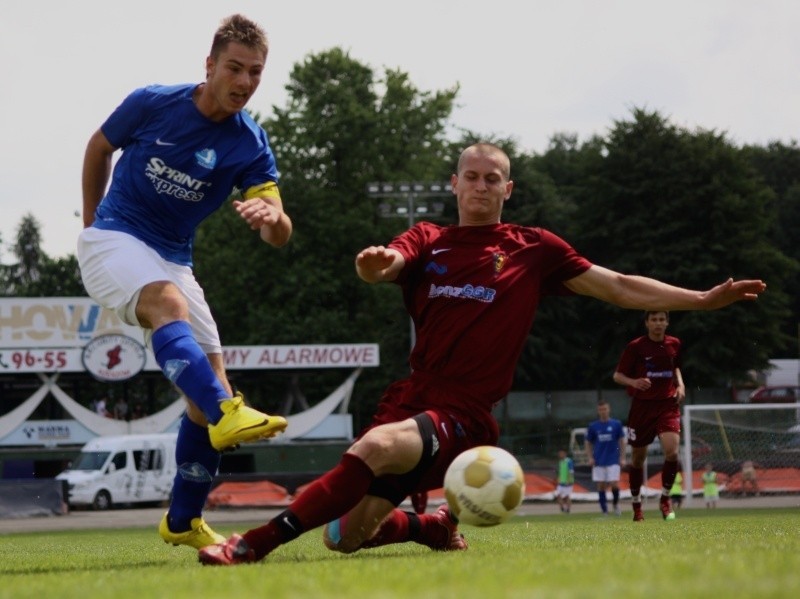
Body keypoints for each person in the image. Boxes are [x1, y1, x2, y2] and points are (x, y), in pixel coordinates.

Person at [198, 142, 765, 565]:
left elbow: (616, 285)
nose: (480, 185)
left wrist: (702, 300)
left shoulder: (533, 249)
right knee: (346, 536)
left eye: (492, 178)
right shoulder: (429, 239)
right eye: (471, 176)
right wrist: (377, 265)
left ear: (507, 189)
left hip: (466, 412)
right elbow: (390, 261)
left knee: (376, 446)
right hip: (413, 398)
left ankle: (252, 544)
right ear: (455, 183)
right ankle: (433, 528)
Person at [77, 14, 292, 551]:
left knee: (209, 378)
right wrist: (89, 227)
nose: (244, 82)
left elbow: (280, 230)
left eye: (256, 73)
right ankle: (227, 412)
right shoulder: (154, 101)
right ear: (210, 64)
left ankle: (183, 520)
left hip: (173, 258)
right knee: (171, 313)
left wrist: (272, 221)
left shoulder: (250, 143)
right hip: (115, 238)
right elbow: (98, 147)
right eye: (235, 68)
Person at [613, 310, 684, 522]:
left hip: (667, 405)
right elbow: (617, 376)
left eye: (662, 319)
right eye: (654, 319)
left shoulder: (674, 344)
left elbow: (676, 367)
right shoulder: (636, 346)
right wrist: (634, 382)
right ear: (647, 323)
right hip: (642, 408)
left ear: (667, 322)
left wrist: (680, 385)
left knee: (672, 452)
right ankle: (636, 506)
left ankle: (665, 499)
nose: (658, 323)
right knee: (638, 459)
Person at [585, 400, 626, 516]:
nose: (603, 411)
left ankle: (616, 505)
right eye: (601, 409)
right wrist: (590, 457)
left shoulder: (616, 424)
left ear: (609, 409)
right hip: (599, 460)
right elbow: (588, 442)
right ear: (598, 411)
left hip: (613, 459)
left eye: (605, 409)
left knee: (614, 484)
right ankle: (604, 511)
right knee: (601, 485)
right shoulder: (593, 426)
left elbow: (622, 441)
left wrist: (622, 457)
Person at [555, 450, 574, 514]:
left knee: (567, 496)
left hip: (568, 482)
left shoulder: (569, 461)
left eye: (561, 453)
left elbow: (571, 471)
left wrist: (569, 480)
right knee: (558, 495)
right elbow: (559, 472)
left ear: (565, 453)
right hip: (561, 482)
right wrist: (558, 479)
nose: (560, 455)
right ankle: (562, 508)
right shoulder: (560, 462)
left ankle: (568, 510)